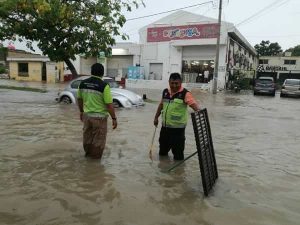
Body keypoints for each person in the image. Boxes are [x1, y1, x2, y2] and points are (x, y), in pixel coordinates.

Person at [153, 73, 200, 160]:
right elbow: (161, 105)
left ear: (181, 83)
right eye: (172, 83)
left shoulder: (185, 94)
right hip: (165, 129)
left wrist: (200, 120)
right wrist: (156, 118)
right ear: (169, 82)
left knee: (178, 157)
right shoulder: (165, 92)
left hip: (178, 132)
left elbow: (196, 108)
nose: (174, 85)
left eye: (176, 83)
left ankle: (178, 173)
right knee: (162, 154)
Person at [77, 63, 117, 159]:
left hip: (87, 117)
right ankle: (94, 165)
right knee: (98, 141)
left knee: (87, 138)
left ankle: (87, 157)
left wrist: (81, 112)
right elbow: (109, 105)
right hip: (100, 118)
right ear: (102, 73)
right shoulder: (104, 86)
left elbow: (79, 99)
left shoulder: (82, 84)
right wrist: (114, 118)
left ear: (91, 72)